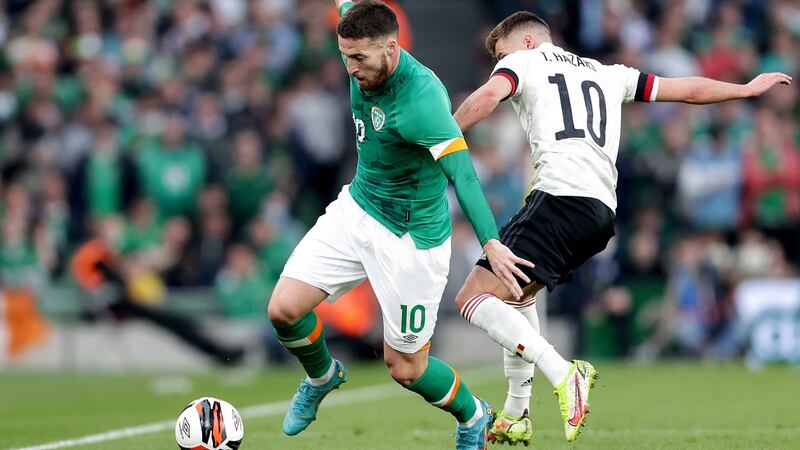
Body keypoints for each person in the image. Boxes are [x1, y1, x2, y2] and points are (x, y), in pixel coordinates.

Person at [451, 11, 792, 445]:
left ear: (530, 41)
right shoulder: (607, 72)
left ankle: (563, 372)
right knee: (517, 295)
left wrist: (444, 135)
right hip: (599, 214)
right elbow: (685, 90)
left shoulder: (524, 61)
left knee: (472, 297)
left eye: (502, 54)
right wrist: (744, 90)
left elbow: (488, 95)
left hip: (558, 197)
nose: (500, 63)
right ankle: (517, 413)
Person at [266, 2, 533, 449]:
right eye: (344, 55)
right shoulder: (362, 38)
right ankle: (322, 375)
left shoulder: (423, 100)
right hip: (359, 208)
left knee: (405, 367)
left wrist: (491, 239)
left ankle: (472, 416)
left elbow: (462, 174)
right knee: (283, 310)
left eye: (359, 59)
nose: (350, 68)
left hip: (412, 238)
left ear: (391, 49)